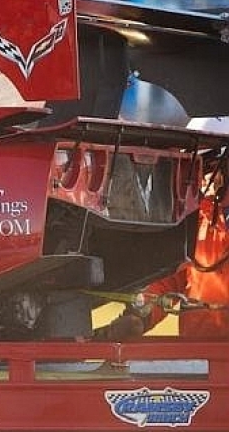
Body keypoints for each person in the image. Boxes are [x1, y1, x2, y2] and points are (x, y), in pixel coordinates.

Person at [95, 116, 229, 340]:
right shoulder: (198, 218)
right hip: (199, 360)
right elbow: (170, 279)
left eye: (202, 167)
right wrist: (139, 316)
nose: (194, 179)